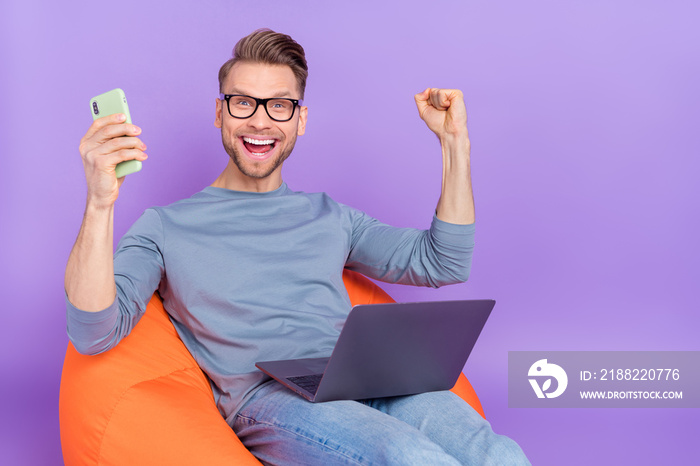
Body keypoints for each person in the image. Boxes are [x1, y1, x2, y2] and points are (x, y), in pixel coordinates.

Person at [65, 29, 529, 465]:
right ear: (220, 112)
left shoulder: (331, 215)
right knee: (408, 456)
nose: (261, 121)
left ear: (300, 119)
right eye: (243, 102)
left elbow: (442, 262)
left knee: (497, 453)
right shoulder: (165, 226)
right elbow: (93, 332)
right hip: (270, 399)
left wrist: (455, 143)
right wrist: (99, 202)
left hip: (368, 375)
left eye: (280, 105)